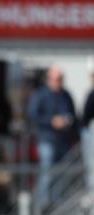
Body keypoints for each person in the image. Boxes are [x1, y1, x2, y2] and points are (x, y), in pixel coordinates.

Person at [27, 66, 78, 204]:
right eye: (55, 79)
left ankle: (58, 203)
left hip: (63, 141)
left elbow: (73, 115)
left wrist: (67, 122)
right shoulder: (40, 95)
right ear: (49, 79)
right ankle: (44, 204)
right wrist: (51, 121)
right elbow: (33, 116)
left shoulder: (66, 95)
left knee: (62, 174)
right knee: (47, 173)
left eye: (60, 79)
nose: (58, 82)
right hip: (47, 140)